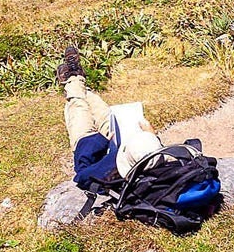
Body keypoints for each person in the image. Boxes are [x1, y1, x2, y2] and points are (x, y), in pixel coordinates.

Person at [57, 45, 162, 189]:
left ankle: (74, 79)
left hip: (88, 142)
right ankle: (76, 79)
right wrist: (151, 136)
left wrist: (100, 142)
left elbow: (81, 176)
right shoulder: (160, 164)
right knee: (102, 109)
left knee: (78, 104)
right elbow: (149, 153)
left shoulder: (111, 168)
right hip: (119, 142)